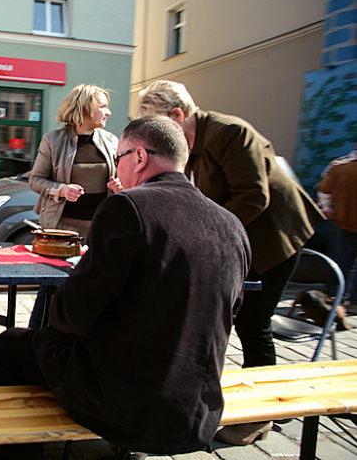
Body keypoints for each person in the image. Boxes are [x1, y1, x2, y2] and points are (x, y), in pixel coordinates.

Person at [0, 116, 250, 459]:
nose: (116, 169)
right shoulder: (231, 224)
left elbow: (70, 316)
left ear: (139, 157)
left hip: (126, 410)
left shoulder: (128, 207)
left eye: (119, 158)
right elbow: (230, 312)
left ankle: (18, 455)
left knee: (9, 343)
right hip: (198, 412)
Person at [135, 80, 326, 445]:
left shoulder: (230, 132)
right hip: (239, 237)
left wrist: (204, 235)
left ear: (178, 115)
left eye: (160, 129)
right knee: (226, 316)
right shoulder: (191, 143)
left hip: (274, 237)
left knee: (254, 323)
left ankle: (263, 413)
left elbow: (254, 198)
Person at [26, 84, 118, 329]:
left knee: (91, 289)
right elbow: (35, 180)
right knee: (51, 286)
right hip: (61, 230)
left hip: (98, 232)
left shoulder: (111, 140)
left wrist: (121, 185)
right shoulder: (53, 140)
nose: (108, 112)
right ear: (85, 108)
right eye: (103, 106)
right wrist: (61, 190)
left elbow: (123, 179)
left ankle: (76, 339)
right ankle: (36, 337)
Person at [317, 141, 357, 308]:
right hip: (343, 221)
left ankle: (332, 297)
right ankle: (350, 301)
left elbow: (323, 191)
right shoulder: (340, 166)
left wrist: (327, 209)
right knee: (340, 260)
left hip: (341, 221)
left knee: (339, 260)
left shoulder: (339, 166)